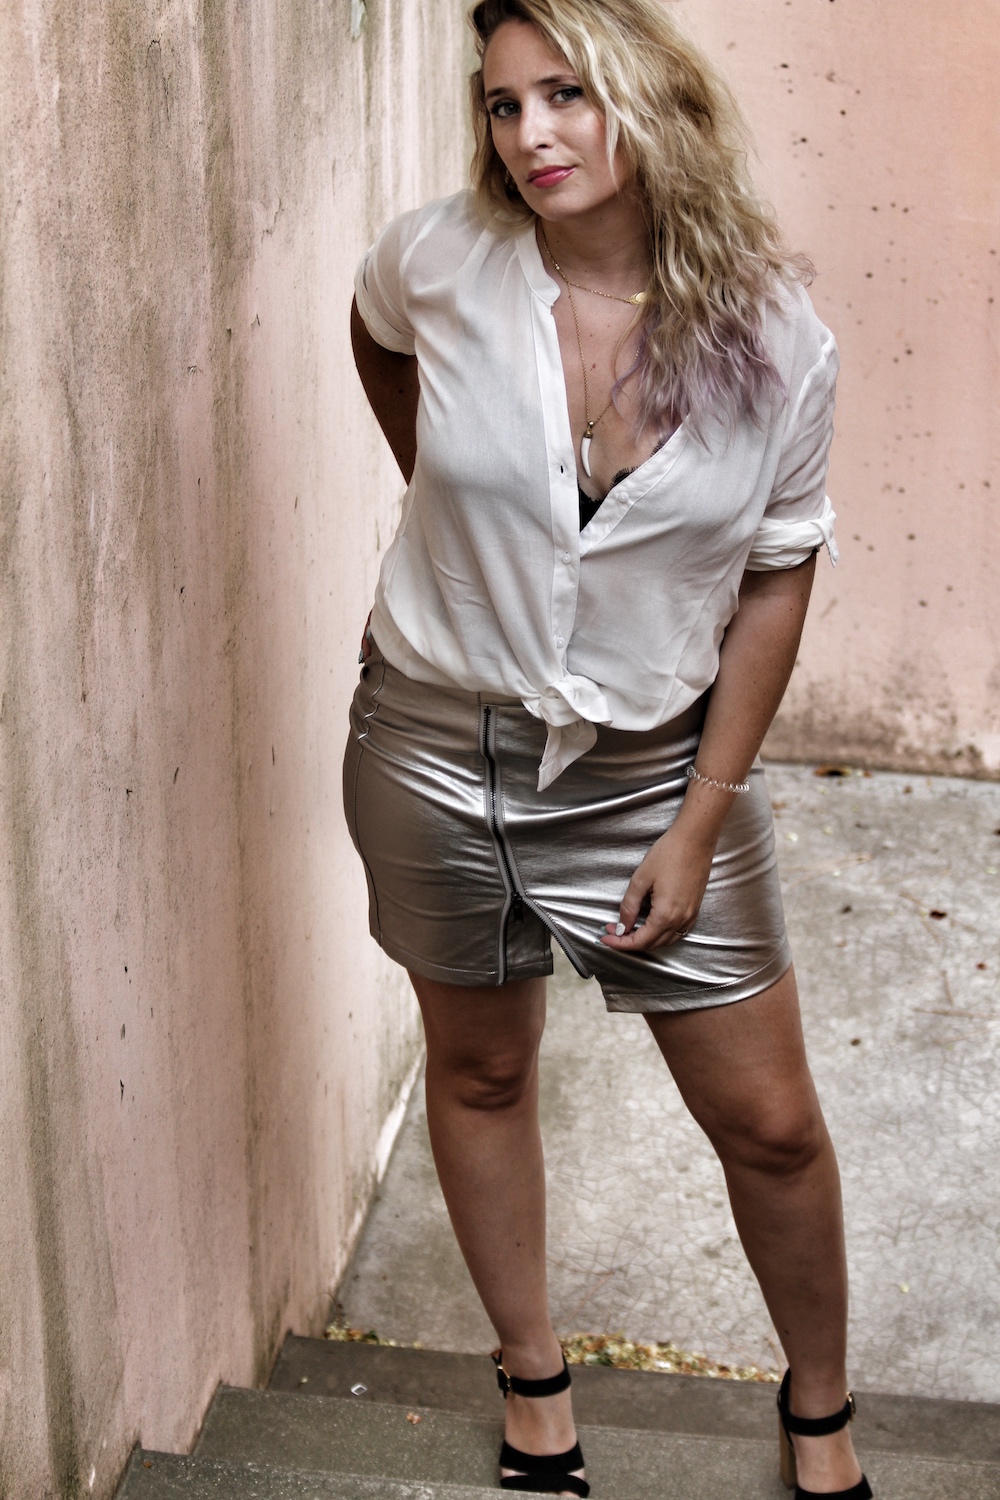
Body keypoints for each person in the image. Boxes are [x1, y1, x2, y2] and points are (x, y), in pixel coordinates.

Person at [344, 2, 870, 1496]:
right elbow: (378, 337)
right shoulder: (441, 259)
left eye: (566, 95)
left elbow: (776, 576)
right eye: (503, 104)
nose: (532, 136)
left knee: (770, 1124)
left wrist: (700, 817)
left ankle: (820, 1412)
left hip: (649, 774)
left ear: (649, 99)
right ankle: (534, 1385)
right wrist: (448, 496)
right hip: (428, 747)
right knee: (480, 1071)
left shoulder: (776, 336)